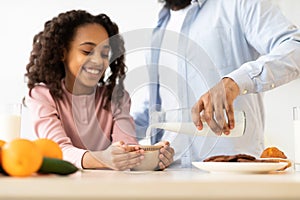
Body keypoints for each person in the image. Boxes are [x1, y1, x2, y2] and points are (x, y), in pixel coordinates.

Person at [131, 0, 300, 167]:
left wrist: (235, 82)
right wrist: (113, 130)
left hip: (234, 174)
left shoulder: (242, 4)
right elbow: (158, 110)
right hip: (168, 175)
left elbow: (295, 46)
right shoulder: (157, 29)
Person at [25, 10, 174, 170]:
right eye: (87, 51)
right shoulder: (42, 96)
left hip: (107, 190)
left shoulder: (116, 98)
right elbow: (58, 151)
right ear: (63, 52)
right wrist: (101, 158)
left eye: (104, 54)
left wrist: (155, 157)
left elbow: (128, 148)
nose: (98, 60)